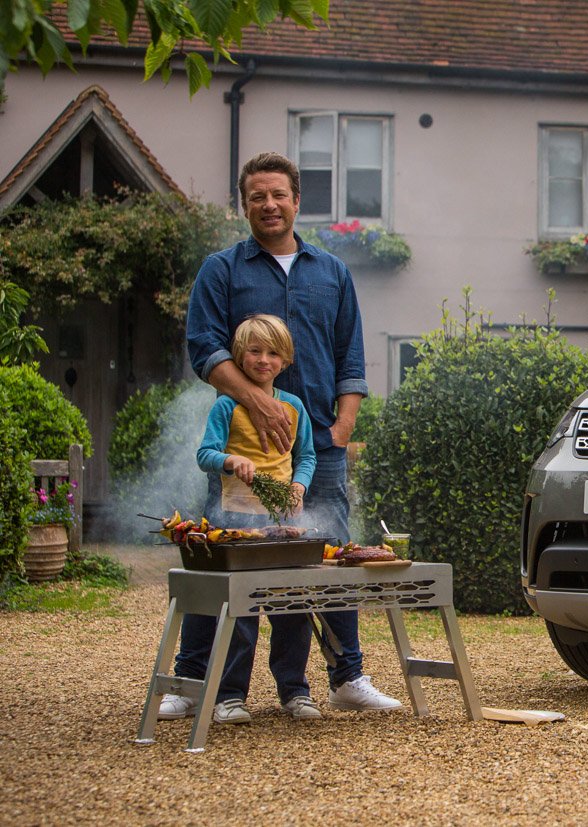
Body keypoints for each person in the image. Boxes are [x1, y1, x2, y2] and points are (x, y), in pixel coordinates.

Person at [180, 150, 401, 712]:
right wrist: (259, 403)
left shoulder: (332, 272)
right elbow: (203, 348)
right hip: (242, 451)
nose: (269, 205)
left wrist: (341, 430)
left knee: (324, 559)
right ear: (245, 205)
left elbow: (351, 355)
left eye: (279, 195)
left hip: (318, 449)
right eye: (258, 196)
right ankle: (191, 683)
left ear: (297, 201)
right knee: (224, 560)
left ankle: (346, 678)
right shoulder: (222, 270)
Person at [160, 314, 319, 724]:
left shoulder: (294, 406)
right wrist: (231, 460)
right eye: (254, 351)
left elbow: (307, 457)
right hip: (236, 519)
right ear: (239, 356)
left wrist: (299, 487)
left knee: (293, 606)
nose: (263, 359)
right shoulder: (226, 406)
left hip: (283, 524)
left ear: (285, 360)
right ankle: (230, 696)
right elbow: (205, 455)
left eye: (272, 353)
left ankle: (295, 690)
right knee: (241, 612)